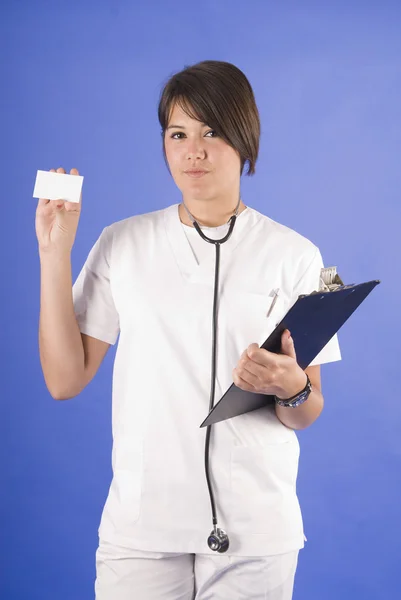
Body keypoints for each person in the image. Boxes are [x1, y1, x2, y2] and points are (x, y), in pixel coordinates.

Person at [37, 60, 341, 600]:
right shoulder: (122, 243)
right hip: (143, 526)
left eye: (212, 132)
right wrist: (54, 252)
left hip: (255, 530)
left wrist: (290, 387)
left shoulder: (295, 255)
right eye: (178, 134)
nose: (192, 150)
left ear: (245, 142)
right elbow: (64, 380)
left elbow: (309, 410)